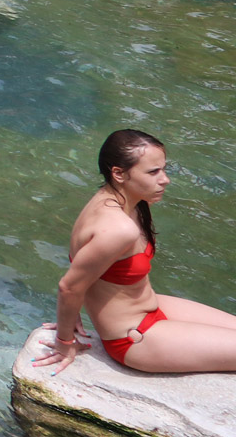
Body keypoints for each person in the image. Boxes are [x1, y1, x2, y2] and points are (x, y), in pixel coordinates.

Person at [32, 129, 236, 376]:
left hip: (151, 307)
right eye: (153, 172)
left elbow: (82, 263)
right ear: (118, 173)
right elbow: (69, 286)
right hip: (134, 337)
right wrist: (64, 342)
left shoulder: (119, 201)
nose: (165, 179)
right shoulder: (119, 228)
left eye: (163, 169)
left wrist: (71, 311)